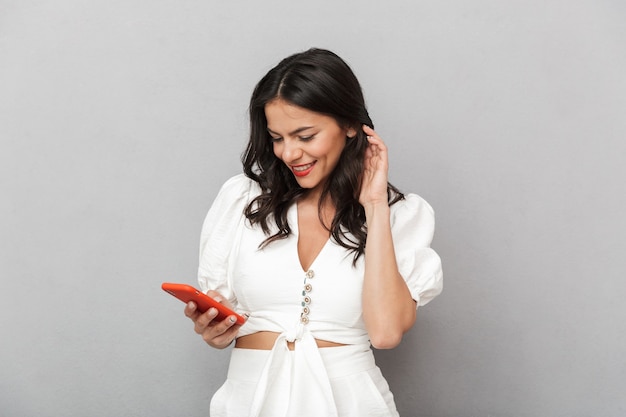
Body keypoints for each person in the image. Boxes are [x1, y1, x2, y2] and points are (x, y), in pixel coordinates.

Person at [184, 48, 443, 417]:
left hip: (350, 404)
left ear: (350, 125)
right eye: (277, 138)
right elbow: (222, 315)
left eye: (305, 136)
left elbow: (385, 334)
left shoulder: (399, 214)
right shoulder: (243, 201)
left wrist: (374, 206)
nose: (289, 153)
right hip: (250, 401)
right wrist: (213, 331)